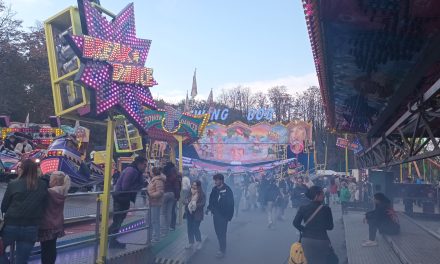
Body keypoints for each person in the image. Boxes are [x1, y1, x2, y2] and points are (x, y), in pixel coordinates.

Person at [0, 159, 48, 264]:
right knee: (21, 260)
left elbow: (4, 206)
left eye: (19, 167)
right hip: (31, 227)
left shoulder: (14, 184)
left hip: (11, 226)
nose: (17, 169)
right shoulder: (43, 185)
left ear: (24, 170)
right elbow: (45, 204)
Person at [109, 156, 147, 248]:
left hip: (123, 198)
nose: (145, 167)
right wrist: (139, 186)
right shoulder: (131, 171)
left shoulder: (136, 171)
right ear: (139, 164)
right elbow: (125, 187)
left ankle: (110, 239)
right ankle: (110, 240)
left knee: (119, 220)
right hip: (120, 198)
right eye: (144, 165)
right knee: (117, 221)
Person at [293, 186, 335, 264]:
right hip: (322, 240)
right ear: (317, 195)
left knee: (309, 261)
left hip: (306, 240)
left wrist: (305, 230)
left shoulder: (303, 208)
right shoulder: (326, 209)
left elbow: (295, 223)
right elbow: (330, 227)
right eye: (322, 193)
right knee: (321, 261)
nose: (324, 195)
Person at [38, 171, 71, 264]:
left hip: (46, 224)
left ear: (55, 181)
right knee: (52, 247)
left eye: (51, 179)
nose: (49, 181)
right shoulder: (63, 191)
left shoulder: (49, 192)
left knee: (45, 249)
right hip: (57, 223)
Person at [206, 174, 234, 259]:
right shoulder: (214, 189)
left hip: (224, 215)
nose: (215, 182)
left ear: (221, 180)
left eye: (216, 180)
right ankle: (221, 247)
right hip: (216, 215)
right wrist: (209, 208)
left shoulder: (227, 190)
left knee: (222, 233)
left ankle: (222, 250)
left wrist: (229, 216)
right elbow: (211, 200)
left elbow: (231, 204)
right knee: (218, 232)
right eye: (214, 180)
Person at [183, 180, 206, 250]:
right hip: (189, 213)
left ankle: (199, 242)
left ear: (199, 186)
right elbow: (183, 200)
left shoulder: (202, 194)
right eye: (193, 185)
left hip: (197, 214)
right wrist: (188, 202)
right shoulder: (189, 192)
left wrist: (195, 205)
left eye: (195, 185)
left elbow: (203, 203)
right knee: (189, 228)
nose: (193, 186)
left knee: (195, 228)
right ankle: (191, 242)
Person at [147, 167, 166, 243]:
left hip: (155, 203)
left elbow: (160, 192)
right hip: (151, 202)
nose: (149, 172)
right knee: (149, 220)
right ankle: (150, 236)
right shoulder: (153, 180)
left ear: (153, 172)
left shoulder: (158, 181)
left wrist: (150, 195)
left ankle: (156, 237)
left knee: (155, 220)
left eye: (150, 171)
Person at [161, 162, 180, 236]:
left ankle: (163, 231)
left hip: (165, 193)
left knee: (163, 213)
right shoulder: (175, 175)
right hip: (172, 194)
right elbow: (177, 187)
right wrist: (177, 197)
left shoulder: (163, 173)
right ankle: (168, 229)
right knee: (169, 213)